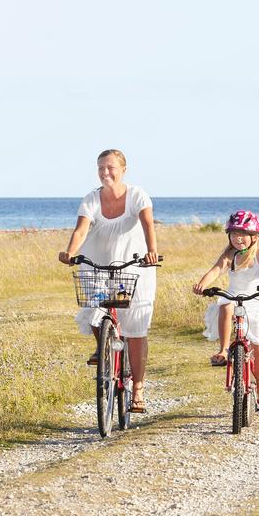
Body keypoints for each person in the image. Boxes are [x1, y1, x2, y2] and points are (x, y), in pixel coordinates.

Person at [59, 149, 159, 414]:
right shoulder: (91, 199)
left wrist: (151, 251)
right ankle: (102, 346)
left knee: (135, 329)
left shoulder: (137, 195)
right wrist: (70, 252)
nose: (105, 172)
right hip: (98, 262)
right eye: (101, 168)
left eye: (111, 168)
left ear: (123, 169)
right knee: (94, 309)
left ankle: (137, 389)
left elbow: (148, 223)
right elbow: (81, 229)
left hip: (132, 264)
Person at [193, 210, 259, 416]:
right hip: (234, 297)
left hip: (256, 301)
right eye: (234, 234)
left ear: (255, 237)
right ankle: (224, 350)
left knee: (258, 348)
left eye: (243, 234)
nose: (238, 238)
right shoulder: (229, 255)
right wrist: (202, 284)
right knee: (224, 305)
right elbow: (216, 270)